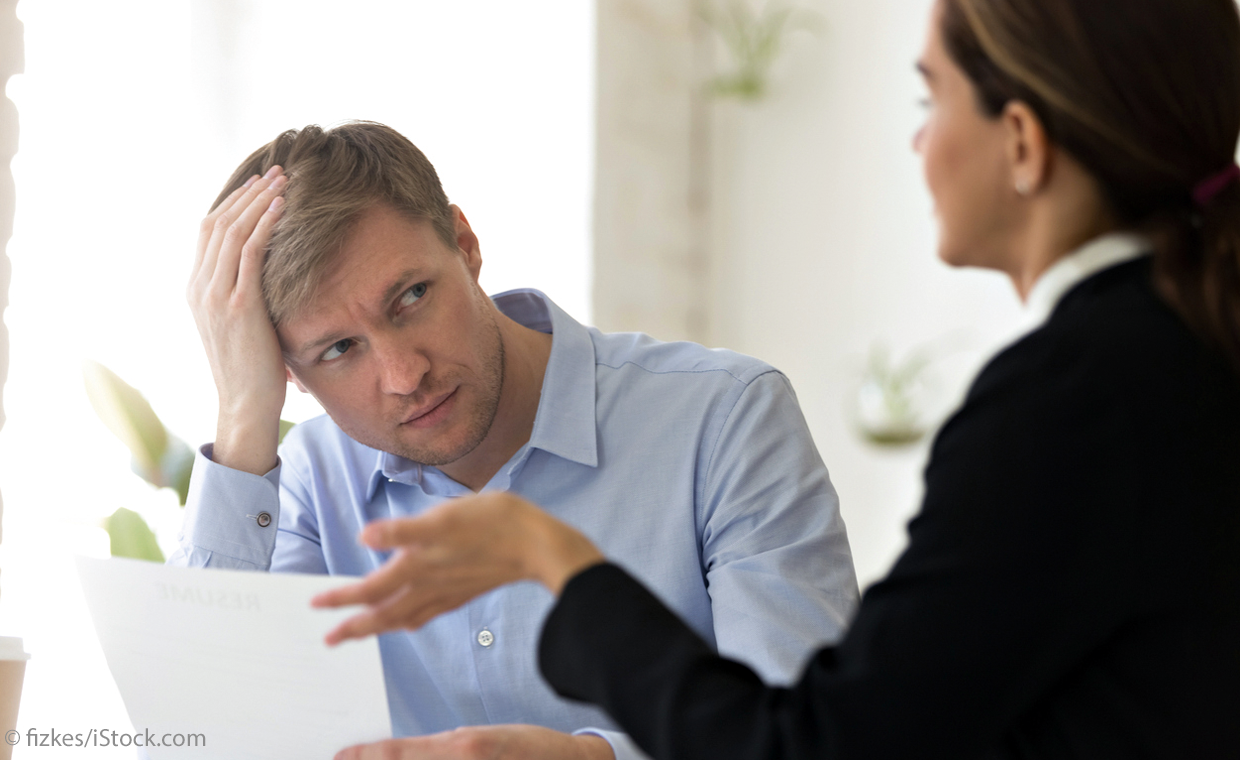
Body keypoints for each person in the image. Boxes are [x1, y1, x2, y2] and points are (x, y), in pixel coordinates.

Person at [314, 0, 1240, 757]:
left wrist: (552, 558)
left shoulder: (1070, 402)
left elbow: (821, 748)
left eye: (931, 102)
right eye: (334, 350)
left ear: (1024, 144)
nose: (918, 146)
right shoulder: (1179, 355)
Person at [174, 121, 859, 760]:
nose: (405, 375)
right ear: (286, 370)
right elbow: (200, 738)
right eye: (339, 349)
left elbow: (810, 741)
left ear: (465, 244)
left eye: (411, 296)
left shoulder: (724, 419)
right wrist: (241, 418)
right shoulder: (308, 482)